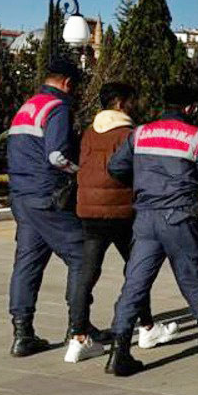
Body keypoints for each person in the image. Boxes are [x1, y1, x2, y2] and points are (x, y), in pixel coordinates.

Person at [102, 84, 198, 376]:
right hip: (178, 217)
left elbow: (115, 167)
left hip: (145, 218)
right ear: (190, 108)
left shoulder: (140, 133)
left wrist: (143, 183)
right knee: (193, 273)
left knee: (135, 283)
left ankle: (120, 349)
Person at [65, 82, 177, 363]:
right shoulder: (130, 134)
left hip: (88, 211)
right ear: (120, 103)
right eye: (132, 100)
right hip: (123, 211)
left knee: (86, 274)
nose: (135, 104)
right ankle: (147, 327)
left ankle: (78, 338)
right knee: (138, 270)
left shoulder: (89, 132)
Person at [5, 57, 84, 357]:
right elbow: (56, 156)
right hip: (47, 196)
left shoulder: (27, 107)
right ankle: (78, 328)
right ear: (67, 83)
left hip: (22, 198)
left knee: (27, 264)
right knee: (81, 256)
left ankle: (22, 333)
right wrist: (81, 171)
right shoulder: (58, 108)